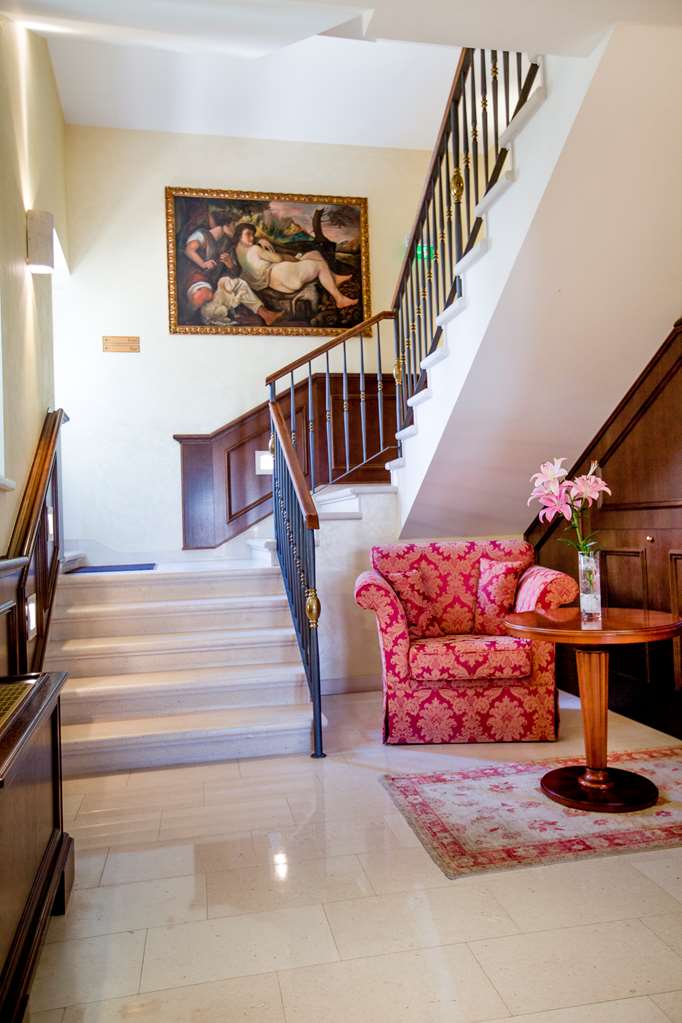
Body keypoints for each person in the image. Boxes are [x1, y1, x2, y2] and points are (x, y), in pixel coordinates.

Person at [180, 211, 282, 326]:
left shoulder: (228, 244)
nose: (235, 229)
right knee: (203, 294)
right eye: (234, 225)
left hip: (216, 287)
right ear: (226, 225)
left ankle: (267, 315)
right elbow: (189, 250)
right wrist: (203, 264)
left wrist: (230, 265)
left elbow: (235, 272)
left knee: (239, 283)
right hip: (196, 279)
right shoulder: (203, 235)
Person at [234, 223, 358, 310]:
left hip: (278, 283)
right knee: (320, 265)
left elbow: (251, 254)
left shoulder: (238, 250)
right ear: (239, 235)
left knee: (315, 253)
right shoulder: (255, 249)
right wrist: (295, 259)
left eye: (253, 234)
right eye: (248, 234)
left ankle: (334, 278)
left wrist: (259, 240)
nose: (252, 237)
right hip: (283, 275)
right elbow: (278, 258)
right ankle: (339, 299)